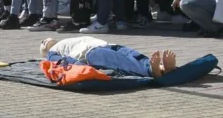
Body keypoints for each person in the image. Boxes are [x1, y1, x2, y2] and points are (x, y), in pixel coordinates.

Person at [40, 36, 177, 78]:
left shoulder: (58, 46)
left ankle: (159, 67)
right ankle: (155, 69)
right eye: (45, 43)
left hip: (102, 47)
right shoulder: (52, 52)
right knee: (126, 61)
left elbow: (64, 60)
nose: (45, 41)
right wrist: (83, 67)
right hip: (94, 50)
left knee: (130, 57)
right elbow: (64, 61)